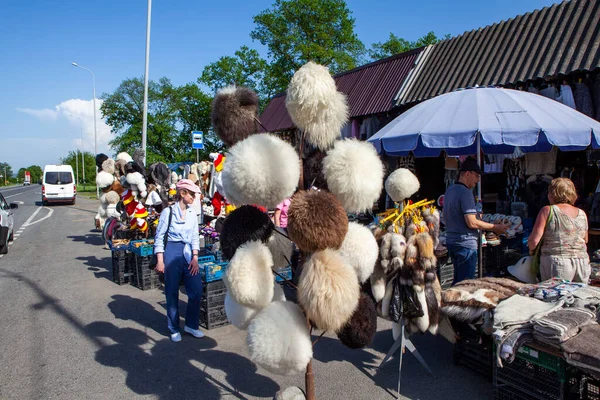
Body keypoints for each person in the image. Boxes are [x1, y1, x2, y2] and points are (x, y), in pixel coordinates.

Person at [443, 158, 509, 284]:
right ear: (467, 174)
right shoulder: (466, 192)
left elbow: (446, 218)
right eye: (477, 176)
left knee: (458, 283)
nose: (478, 180)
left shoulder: (449, 191)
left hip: (452, 242)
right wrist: (495, 227)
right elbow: (472, 222)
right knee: (466, 285)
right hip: (465, 244)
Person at [154, 179, 205, 342]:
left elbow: (195, 237)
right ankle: (174, 328)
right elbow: (159, 237)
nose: (194, 197)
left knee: (196, 289)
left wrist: (195, 257)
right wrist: (160, 260)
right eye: (192, 194)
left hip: (188, 252)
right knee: (171, 291)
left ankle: (191, 325)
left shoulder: (192, 213)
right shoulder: (168, 212)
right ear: (183, 193)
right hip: (172, 251)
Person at [528, 177, 590, 282]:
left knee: (556, 296)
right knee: (579, 296)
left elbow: (534, 240)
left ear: (552, 194)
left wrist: (532, 251)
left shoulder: (547, 210)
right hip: (582, 262)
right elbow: (585, 239)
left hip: (558, 262)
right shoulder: (582, 213)